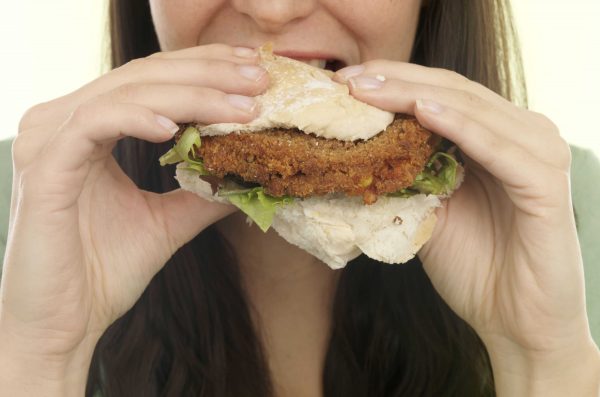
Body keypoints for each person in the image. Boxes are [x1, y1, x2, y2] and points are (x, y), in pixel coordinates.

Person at [0, 0, 599, 395]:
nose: (273, 9)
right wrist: (42, 354)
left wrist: (541, 357)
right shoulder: (35, 199)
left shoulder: (567, 207)